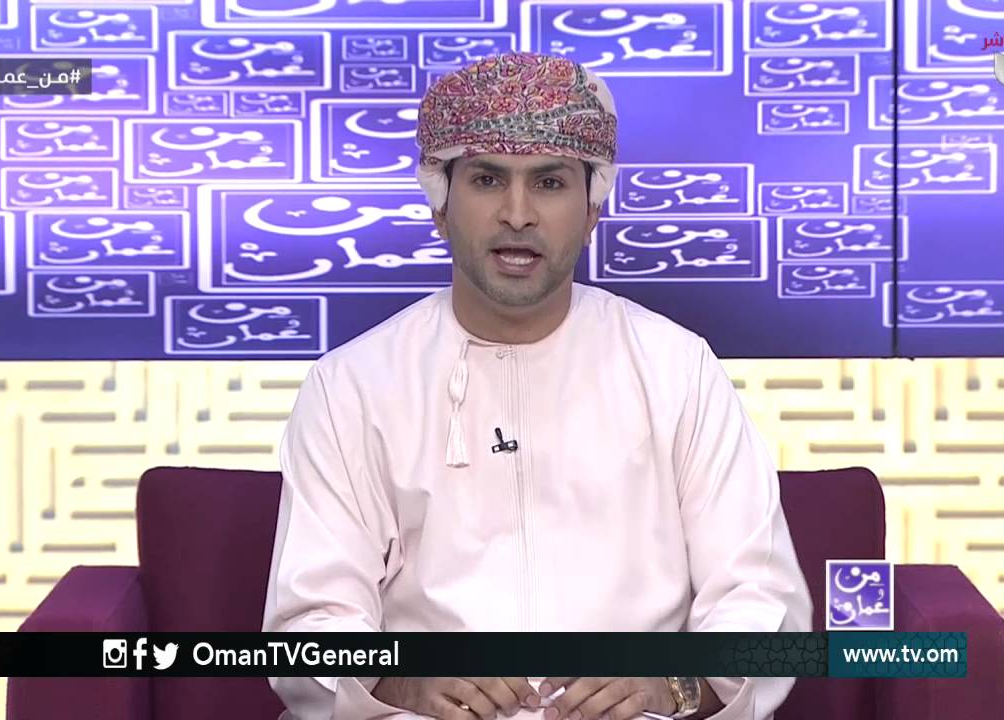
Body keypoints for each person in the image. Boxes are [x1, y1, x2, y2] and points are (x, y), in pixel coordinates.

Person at [263, 52, 813, 720]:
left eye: (549, 182)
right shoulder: (351, 385)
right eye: (487, 179)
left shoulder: (677, 369)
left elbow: (759, 600)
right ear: (439, 205)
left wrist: (674, 685)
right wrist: (396, 683)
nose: (517, 214)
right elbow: (311, 622)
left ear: (592, 209)